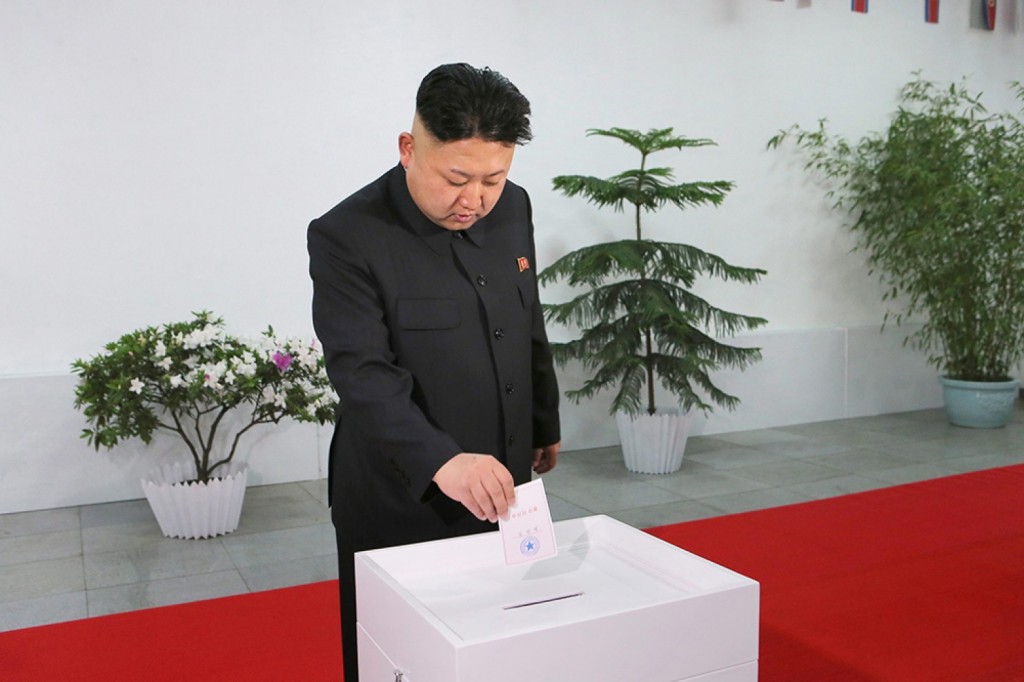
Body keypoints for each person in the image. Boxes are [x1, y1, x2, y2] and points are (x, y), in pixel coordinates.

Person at [307, 63, 561, 680]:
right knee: (400, 662)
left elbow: (525, 320)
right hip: (402, 495)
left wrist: (542, 422)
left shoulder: (514, 208)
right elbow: (362, 372)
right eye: (455, 178)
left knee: (502, 650)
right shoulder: (347, 234)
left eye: (493, 179)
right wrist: (443, 461)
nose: (473, 199)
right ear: (407, 148)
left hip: (506, 483)